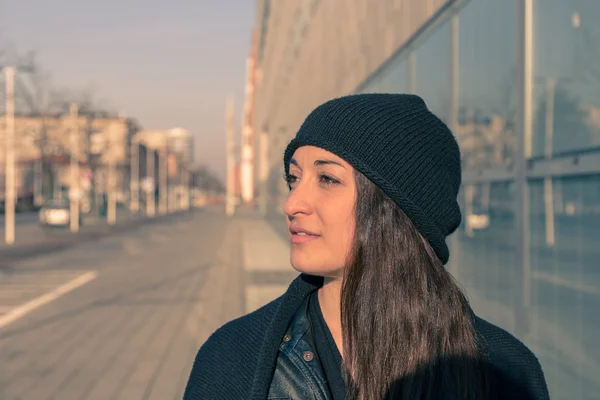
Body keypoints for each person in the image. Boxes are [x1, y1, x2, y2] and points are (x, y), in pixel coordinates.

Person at [183, 94, 550, 400]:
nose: (293, 202)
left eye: (327, 178)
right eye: (294, 178)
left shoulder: (504, 371)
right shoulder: (232, 360)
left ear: (396, 210)